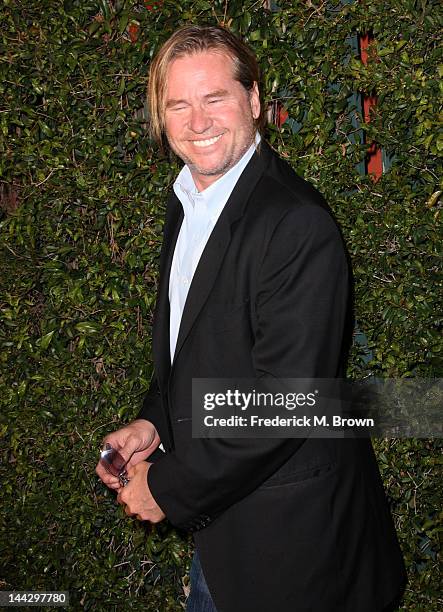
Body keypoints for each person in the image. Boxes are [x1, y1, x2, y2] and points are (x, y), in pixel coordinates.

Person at [96, 25, 406, 612]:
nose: (198, 122)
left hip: (293, 549)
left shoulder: (295, 223)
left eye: (215, 98)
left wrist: (166, 487)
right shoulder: (190, 197)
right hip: (224, 531)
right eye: (178, 105)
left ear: (255, 101)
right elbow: (199, 346)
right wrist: (153, 423)